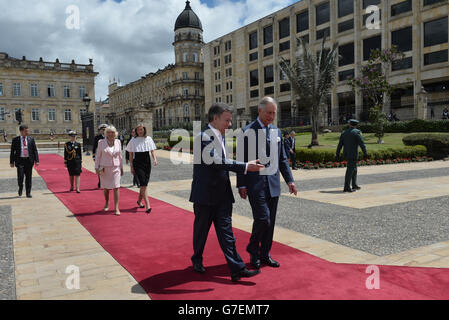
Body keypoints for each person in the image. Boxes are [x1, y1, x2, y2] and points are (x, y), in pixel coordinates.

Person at [190, 103, 264, 282]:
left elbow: (223, 161)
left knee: (227, 234)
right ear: (215, 118)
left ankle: (237, 269)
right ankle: (197, 259)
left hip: (222, 195)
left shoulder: (220, 136)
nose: (230, 124)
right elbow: (217, 161)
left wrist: (244, 165)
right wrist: (246, 166)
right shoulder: (203, 137)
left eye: (230, 120)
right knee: (201, 232)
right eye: (227, 120)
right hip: (205, 195)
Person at [237, 97, 298, 270]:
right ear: (259, 110)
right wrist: (241, 185)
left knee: (270, 222)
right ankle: (253, 250)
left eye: (274, 113)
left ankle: (265, 254)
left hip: (273, 184)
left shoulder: (277, 132)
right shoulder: (246, 131)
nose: (272, 116)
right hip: (255, 184)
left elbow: (282, 159)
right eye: (269, 113)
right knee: (263, 219)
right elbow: (241, 160)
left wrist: (290, 181)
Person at [126, 124, 158, 214]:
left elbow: (152, 150)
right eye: (139, 130)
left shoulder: (148, 139)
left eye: (142, 129)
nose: (141, 131)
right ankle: (148, 205)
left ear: (144, 130)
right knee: (143, 183)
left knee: (144, 183)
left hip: (147, 162)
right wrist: (131, 166)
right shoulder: (133, 140)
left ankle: (139, 201)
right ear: (136, 131)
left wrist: (155, 159)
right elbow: (131, 154)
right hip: (137, 163)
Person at [95, 125, 124, 216]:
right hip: (105, 168)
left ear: (115, 133)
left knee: (116, 187)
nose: (110, 134)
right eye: (108, 132)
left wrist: (122, 168)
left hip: (116, 167)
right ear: (105, 133)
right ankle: (107, 202)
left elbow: (120, 156)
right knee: (106, 188)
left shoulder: (118, 142)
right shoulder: (101, 142)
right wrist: (96, 167)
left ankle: (116, 207)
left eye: (112, 132)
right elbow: (98, 156)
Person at [336, 119, 368, 193]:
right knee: (350, 170)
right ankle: (346, 187)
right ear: (356, 125)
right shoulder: (357, 132)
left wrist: (337, 154)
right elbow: (362, 144)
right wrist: (365, 153)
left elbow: (340, 144)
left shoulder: (344, 132)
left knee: (354, 169)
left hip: (346, 154)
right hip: (353, 154)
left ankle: (354, 184)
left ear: (350, 124)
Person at [10, 125, 39, 198]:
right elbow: (12, 151)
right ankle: (20, 188)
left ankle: (28, 193)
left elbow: (34, 150)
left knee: (29, 177)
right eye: (26, 131)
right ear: (21, 131)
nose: (27, 132)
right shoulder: (15, 140)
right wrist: (11, 162)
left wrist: (37, 160)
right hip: (20, 161)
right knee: (20, 177)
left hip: (29, 161)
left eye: (27, 131)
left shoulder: (31, 139)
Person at [93, 124, 107, 188]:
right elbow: (94, 147)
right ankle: (100, 181)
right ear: (100, 130)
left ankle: (107, 182)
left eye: (104, 129)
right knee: (100, 168)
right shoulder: (97, 137)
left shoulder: (109, 136)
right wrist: (94, 156)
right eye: (102, 130)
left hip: (107, 155)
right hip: (100, 155)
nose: (103, 131)